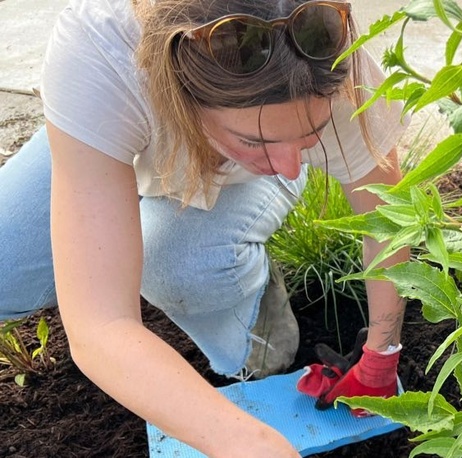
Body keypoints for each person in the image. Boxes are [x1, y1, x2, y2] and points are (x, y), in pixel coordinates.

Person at [0, 0, 409, 455]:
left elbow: (389, 224)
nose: (291, 168)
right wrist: (250, 444)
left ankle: (258, 332)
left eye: (310, 137)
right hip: (119, 128)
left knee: (182, 267)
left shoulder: (332, 61)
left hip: (236, 177)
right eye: (256, 140)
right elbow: (100, 324)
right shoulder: (101, 52)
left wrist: (382, 353)